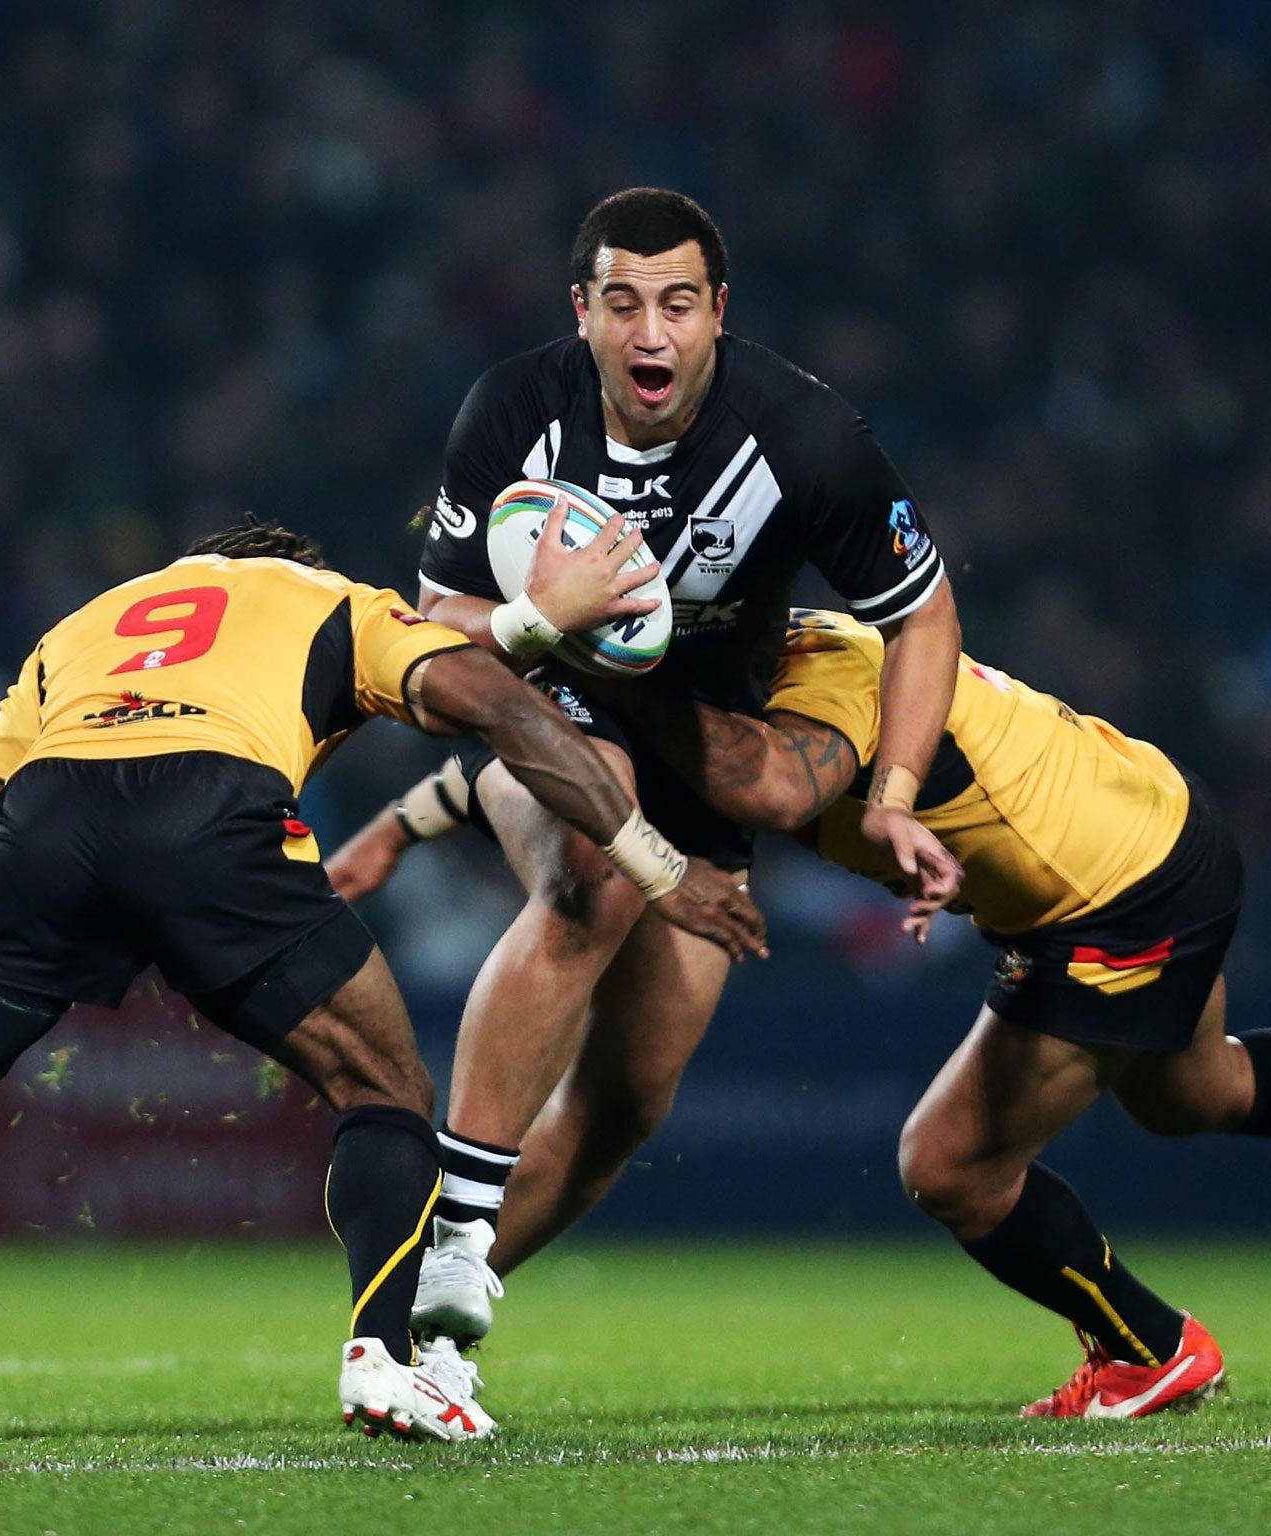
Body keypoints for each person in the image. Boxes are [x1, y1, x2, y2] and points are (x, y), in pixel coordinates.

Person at [0, 517, 765, 1455]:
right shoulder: (331, 602)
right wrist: (657, 868)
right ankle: (378, 1357)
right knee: (387, 1088)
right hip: (212, 814)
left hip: (49, 826)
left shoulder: (82, 625)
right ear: (283, 567)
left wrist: (80, 901)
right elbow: (499, 707)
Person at [332, 608, 1271, 1417]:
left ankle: (1148, 1350)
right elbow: (558, 746)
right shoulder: (751, 661)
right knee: (1192, 1090)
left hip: (1112, 894)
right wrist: (403, 820)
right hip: (1143, 825)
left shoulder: (812, 696)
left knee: (949, 1166)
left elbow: (742, 781)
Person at [404, 187, 965, 1345]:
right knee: (595, 873)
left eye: (673, 305)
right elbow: (432, 629)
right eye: (620, 305)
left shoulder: (803, 437)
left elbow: (924, 617)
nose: (647, 336)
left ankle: (419, 1327)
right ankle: (455, 1232)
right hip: (545, 707)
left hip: (698, 743)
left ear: (717, 311)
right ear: (581, 312)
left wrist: (898, 797)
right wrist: (541, 615)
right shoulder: (515, 407)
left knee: (625, 1101)